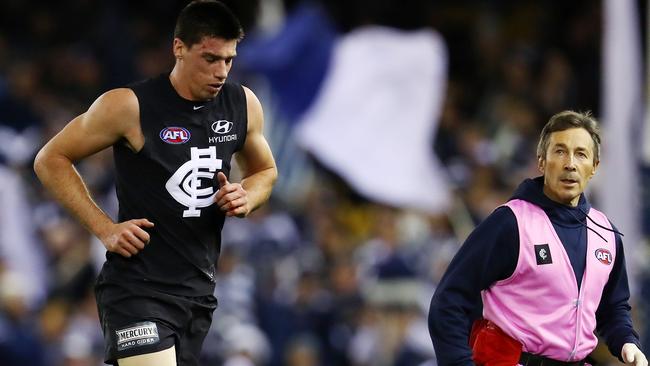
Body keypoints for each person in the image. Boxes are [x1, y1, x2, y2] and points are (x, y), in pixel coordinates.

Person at [33, 1, 277, 365]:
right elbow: (50, 159)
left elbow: (265, 172)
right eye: (210, 59)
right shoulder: (129, 106)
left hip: (198, 292)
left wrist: (247, 196)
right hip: (137, 288)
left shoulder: (242, 104)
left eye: (229, 60)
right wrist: (104, 228)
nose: (222, 71)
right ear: (179, 47)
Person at [428, 111, 647, 366]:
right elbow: (448, 301)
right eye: (560, 151)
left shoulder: (607, 234)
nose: (570, 164)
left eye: (581, 154)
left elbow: (613, 308)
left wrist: (627, 342)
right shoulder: (511, 223)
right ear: (541, 162)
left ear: (594, 167)